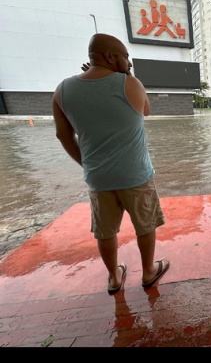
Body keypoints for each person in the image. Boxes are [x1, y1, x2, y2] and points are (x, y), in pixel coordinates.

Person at [52, 33, 170, 294]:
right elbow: (146, 110)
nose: (128, 62)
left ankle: (114, 278)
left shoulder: (62, 90)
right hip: (136, 175)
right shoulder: (130, 84)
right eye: (125, 56)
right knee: (145, 225)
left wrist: (87, 164)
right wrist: (127, 75)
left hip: (98, 178)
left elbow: (63, 135)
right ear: (109, 56)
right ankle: (149, 271)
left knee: (105, 232)